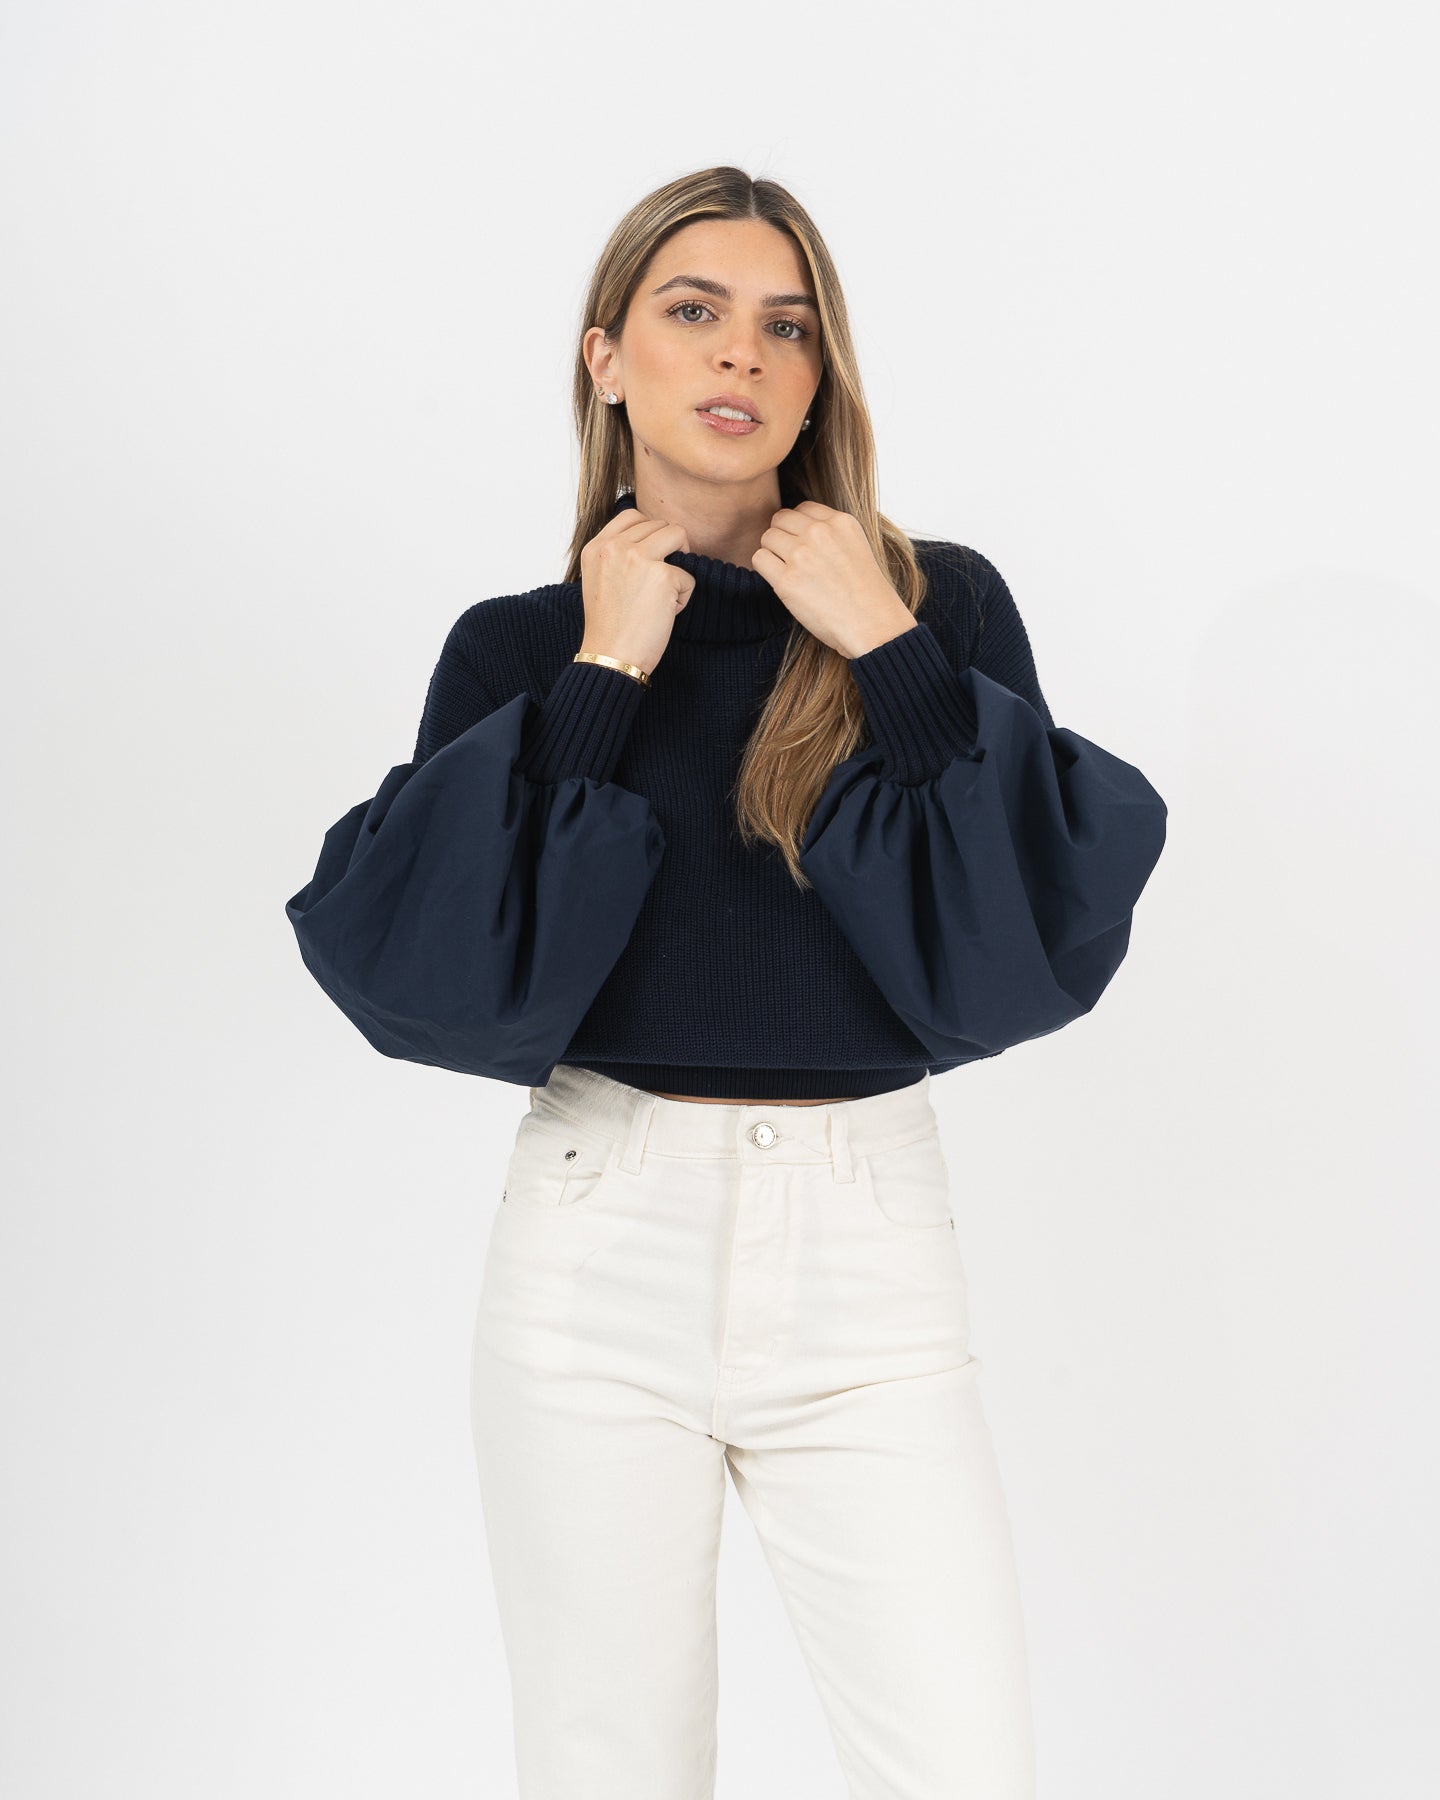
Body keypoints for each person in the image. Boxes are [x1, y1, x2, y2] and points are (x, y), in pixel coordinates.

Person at [284, 166, 1167, 1800]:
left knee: (962, 1762)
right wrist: (607, 665)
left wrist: (887, 648)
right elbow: (450, 987)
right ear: (606, 357)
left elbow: (1012, 957)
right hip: (594, 1245)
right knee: (607, 1765)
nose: (742, 355)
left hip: (867, 1254)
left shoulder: (942, 604)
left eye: (787, 327)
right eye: (693, 312)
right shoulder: (515, 647)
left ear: (821, 378)